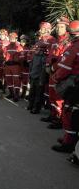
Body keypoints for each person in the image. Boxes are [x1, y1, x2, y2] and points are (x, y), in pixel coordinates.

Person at [51, 20, 79, 153]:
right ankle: (70, 139)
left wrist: (55, 77)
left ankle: (68, 143)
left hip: (74, 84)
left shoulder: (75, 47)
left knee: (69, 112)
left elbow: (65, 67)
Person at [44, 17, 70, 129]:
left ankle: (59, 120)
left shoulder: (68, 42)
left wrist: (54, 68)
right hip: (52, 72)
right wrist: (48, 65)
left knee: (59, 98)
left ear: (67, 28)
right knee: (52, 95)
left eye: (62, 27)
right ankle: (53, 115)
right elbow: (50, 55)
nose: (59, 29)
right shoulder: (56, 41)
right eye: (58, 27)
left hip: (59, 73)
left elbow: (64, 59)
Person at [27, 43, 47, 113]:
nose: (35, 49)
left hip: (39, 78)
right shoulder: (35, 56)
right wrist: (30, 76)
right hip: (33, 77)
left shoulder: (44, 57)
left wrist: (42, 80)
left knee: (38, 94)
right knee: (31, 92)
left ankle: (36, 108)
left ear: (41, 49)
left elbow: (43, 70)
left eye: (37, 48)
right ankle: (31, 105)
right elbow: (31, 67)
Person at [3, 32, 23, 102]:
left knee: (16, 81)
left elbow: (21, 58)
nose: (11, 39)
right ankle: (11, 93)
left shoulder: (19, 47)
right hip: (8, 66)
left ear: (16, 38)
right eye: (10, 38)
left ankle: (16, 95)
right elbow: (4, 56)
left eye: (13, 38)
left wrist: (21, 68)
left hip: (16, 66)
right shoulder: (6, 47)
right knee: (8, 80)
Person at [19, 35, 31, 99]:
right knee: (20, 80)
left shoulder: (28, 49)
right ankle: (20, 92)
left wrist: (27, 62)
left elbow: (29, 58)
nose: (22, 42)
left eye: (24, 41)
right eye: (21, 41)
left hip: (25, 67)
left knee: (25, 81)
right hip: (20, 67)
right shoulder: (19, 47)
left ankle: (23, 93)